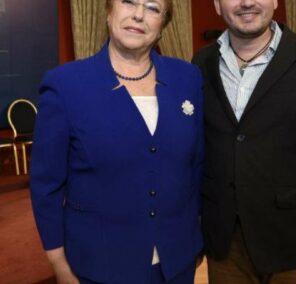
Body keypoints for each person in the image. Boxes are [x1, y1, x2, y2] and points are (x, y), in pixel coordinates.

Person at [30, 0, 204, 283]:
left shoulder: (188, 78)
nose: (138, 14)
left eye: (152, 8)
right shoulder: (66, 85)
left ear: (162, 26)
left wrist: (196, 234)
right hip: (100, 265)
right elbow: (45, 185)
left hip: (178, 261)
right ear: (109, 12)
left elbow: (197, 164)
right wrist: (58, 263)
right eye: (128, 2)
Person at [192, 0, 296, 283]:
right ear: (217, 5)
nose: (247, 2)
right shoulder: (201, 64)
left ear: (274, 1)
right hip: (226, 245)